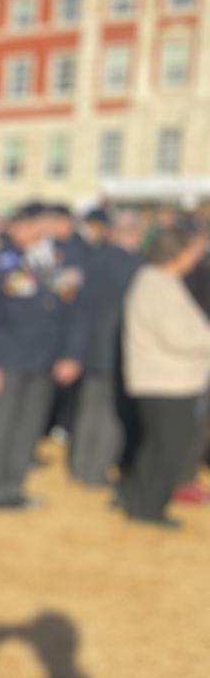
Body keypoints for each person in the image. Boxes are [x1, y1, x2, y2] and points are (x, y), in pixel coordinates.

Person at [0, 204, 86, 509]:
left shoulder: (57, 260)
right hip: (7, 359)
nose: (26, 232)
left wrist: (70, 355)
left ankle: (14, 486)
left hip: (44, 358)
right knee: (3, 425)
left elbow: (72, 311)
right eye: (22, 225)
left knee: (29, 426)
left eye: (34, 225)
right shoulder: (1, 262)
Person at [116, 224, 210, 527]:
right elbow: (178, 336)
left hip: (167, 379)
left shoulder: (158, 280)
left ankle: (144, 503)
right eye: (194, 251)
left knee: (158, 446)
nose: (197, 258)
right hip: (167, 381)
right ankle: (149, 509)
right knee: (166, 448)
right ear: (177, 252)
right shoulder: (158, 284)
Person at [68, 210, 141, 486]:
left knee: (89, 409)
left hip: (89, 345)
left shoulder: (90, 260)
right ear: (133, 234)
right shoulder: (135, 265)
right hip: (116, 346)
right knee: (110, 413)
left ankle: (80, 465)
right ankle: (96, 470)